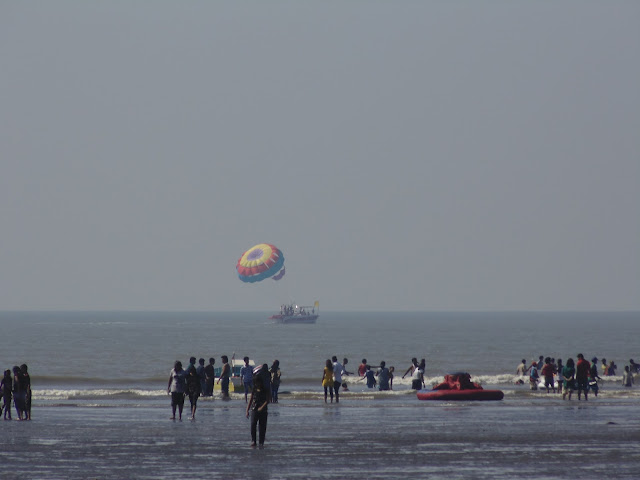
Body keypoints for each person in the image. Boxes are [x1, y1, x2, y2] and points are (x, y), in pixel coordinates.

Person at [246, 373, 269, 447]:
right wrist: (247, 410)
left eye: (258, 382)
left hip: (263, 410)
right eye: (256, 382)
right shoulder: (254, 389)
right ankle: (253, 441)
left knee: (262, 427)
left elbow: (268, 400)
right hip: (254, 409)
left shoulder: (265, 389)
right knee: (253, 424)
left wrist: (262, 407)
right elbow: (251, 399)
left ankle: (261, 441)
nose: (257, 384)